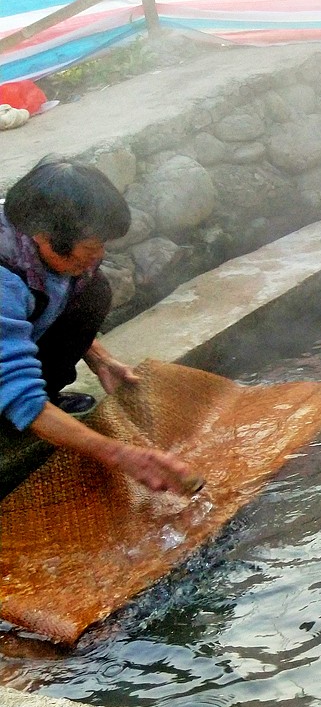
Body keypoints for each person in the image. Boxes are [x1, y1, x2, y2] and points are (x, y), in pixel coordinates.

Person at [0, 157, 198, 494]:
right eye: (91, 246)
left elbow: (50, 302)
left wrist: (99, 357)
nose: (98, 255)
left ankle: (45, 405)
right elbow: (17, 385)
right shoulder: (5, 277)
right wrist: (122, 455)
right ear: (44, 238)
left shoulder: (27, 226)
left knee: (93, 290)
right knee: (19, 398)